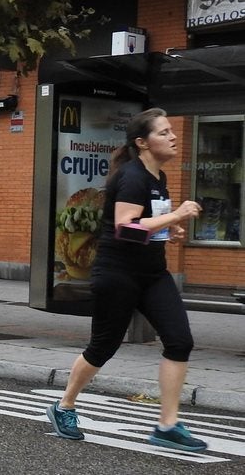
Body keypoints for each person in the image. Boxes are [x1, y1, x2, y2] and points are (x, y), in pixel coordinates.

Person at [46, 108, 208, 452]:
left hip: (152, 273)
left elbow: (144, 228)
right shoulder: (133, 177)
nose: (173, 136)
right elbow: (125, 227)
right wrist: (177, 215)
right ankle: (65, 406)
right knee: (103, 347)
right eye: (163, 133)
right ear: (142, 142)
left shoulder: (157, 177)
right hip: (117, 274)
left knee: (179, 341)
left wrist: (170, 227)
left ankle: (168, 425)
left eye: (170, 131)